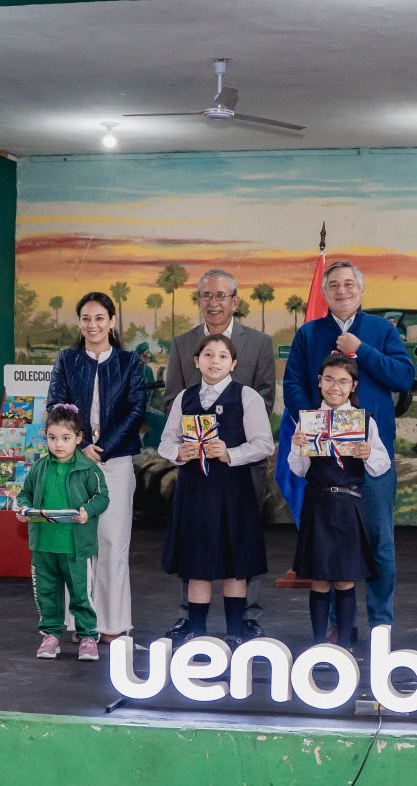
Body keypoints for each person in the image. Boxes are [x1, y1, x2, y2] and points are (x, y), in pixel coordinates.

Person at [283, 260, 414, 633]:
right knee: (330, 545)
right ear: (324, 293)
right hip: (325, 460)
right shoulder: (309, 334)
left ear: (361, 289)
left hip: (369, 456)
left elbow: (405, 376)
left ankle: (380, 623)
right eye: (334, 285)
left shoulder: (381, 330)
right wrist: (311, 421)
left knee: (378, 540)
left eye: (348, 284)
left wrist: (363, 350)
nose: (341, 290)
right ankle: (339, 626)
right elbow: (292, 383)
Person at [163, 268, 276, 638]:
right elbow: (172, 404)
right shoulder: (182, 345)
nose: (213, 302)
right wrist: (186, 446)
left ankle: (243, 621)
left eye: (221, 295)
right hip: (196, 477)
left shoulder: (258, 344)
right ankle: (191, 622)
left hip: (238, 471)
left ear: (234, 300)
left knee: (238, 550)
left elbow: (265, 402)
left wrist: (232, 444)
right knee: (196, 552)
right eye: (206, 295)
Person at [47, 292, 145, 642]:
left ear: (112, 321)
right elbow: (56, 406)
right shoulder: (66, 359)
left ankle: (113, 625)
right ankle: (82, 624)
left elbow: (136, 409)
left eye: (100, 318)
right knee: (79, 543)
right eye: (86, 318)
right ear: (79, 323)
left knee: (113, 541)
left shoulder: (130, 362)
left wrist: (104, 448)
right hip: (75, 463)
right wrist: (82, 445)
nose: (93, 325)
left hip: (116, 462)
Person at [288, 355, 390, 647]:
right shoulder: (308, 420)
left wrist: (367, 453)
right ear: (319, 382)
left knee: (345, 578)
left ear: (353, 385)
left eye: (343, 381)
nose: (335, 387)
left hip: (348, 505)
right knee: (319, 578)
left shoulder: (364, 421)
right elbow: (298, 469)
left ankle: (344, 644)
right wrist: (298, 448)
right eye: (329, 380)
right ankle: (318, 644)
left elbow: (381, 466)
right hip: (318, 504)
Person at [15, 404, 110, 661]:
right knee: (46, 593)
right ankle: (51, 636)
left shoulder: (88, 469)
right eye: (52, 437)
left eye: (66, 438)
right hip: (43, 546)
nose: (58, 444)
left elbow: (102, 498)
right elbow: (25, 494)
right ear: (45, 437)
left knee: (81, 594)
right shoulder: (39, 467)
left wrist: (87, 511)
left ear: (79, 438)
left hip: (76, 547)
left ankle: (88, 636)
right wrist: (22, 508)